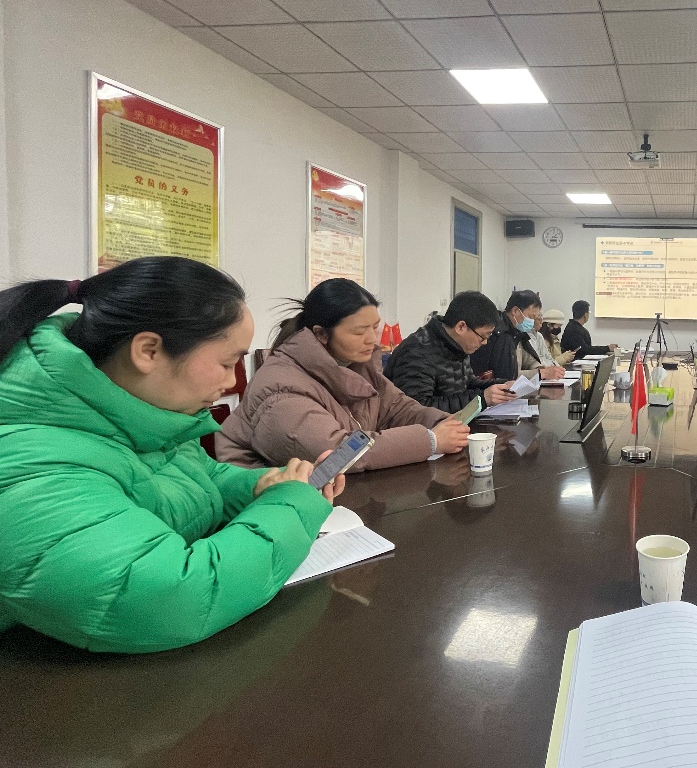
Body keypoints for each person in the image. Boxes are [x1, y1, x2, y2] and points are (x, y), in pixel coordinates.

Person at [0, 257, 340, 653]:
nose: (233, 381)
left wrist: (271, 486)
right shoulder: (31, 464)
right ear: (148, 351)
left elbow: (202, 479)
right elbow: (173, 596)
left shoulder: (143, 413)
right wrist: (290, 506)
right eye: (226, 362)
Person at [218, 278, 469, 470]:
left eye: (375, 327)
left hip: (328, 490)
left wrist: (442, 423)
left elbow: (397, 408)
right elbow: (337, 453)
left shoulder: (356, 364)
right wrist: (430, 440)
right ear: (321, 334)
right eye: (359, 332)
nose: (372, 340)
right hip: (262, 501)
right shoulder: (280, 388)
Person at [384, 291, 516, 412]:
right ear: (461, 327)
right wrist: (480, 400)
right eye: (483, 336)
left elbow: (469, 384)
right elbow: (417, 409)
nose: (485, 342)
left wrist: (502, 386)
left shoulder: (456, 345)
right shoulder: (417, 352)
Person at [469, 289, 565, 383]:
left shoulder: (517, 332)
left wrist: (540, 368)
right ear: (515, 311)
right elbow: (506, 375)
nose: (532, 322)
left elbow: (528, 359)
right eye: (530, 317)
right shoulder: (501, 334)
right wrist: (540, 373)